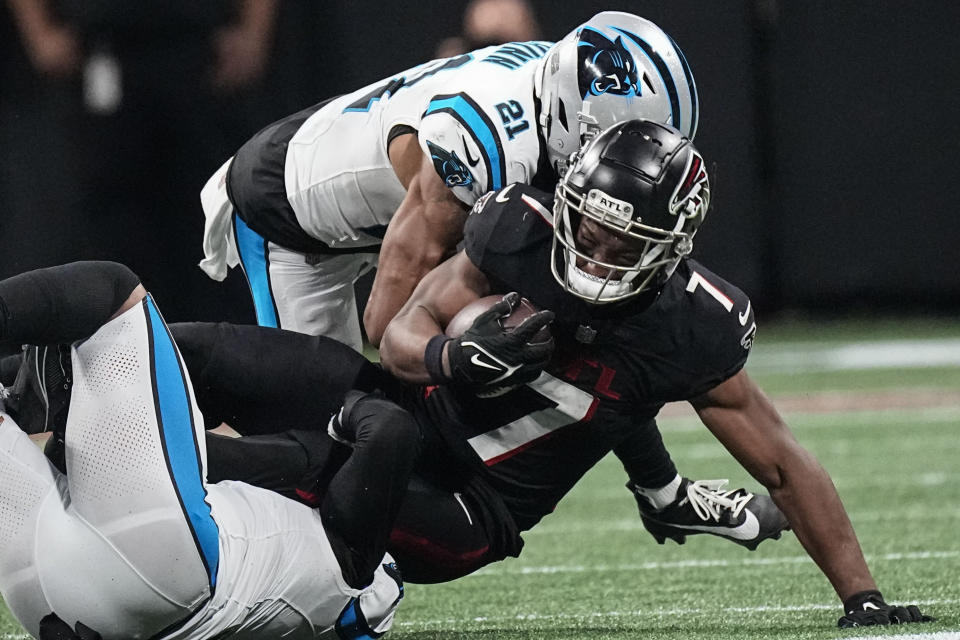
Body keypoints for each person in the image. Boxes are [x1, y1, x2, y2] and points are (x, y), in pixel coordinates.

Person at [375, 119, 934, 628]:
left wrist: (861, 596)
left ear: (670, 250)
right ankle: (666, 493)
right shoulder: (522, 231)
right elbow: (399, 331)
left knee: (611, 374)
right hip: (410, 420)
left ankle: (665, 494)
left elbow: (783, 463)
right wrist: (450, 357)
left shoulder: (689, 328)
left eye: (622, 246)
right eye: (589, 231)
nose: (593, 257)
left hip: (478, 502)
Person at [198, 10, 698, 349]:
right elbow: (387, 325)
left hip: (376, 212)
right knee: (323, 418)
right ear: (575, 121)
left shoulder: (556, 87)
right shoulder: (486, 141)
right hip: (288, 210)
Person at [0, 261, 410, 640]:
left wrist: (345, 415)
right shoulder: (303, 605)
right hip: (53, 608)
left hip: (163, 564)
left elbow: (393, 428)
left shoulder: (352, 567)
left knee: (113, 293)